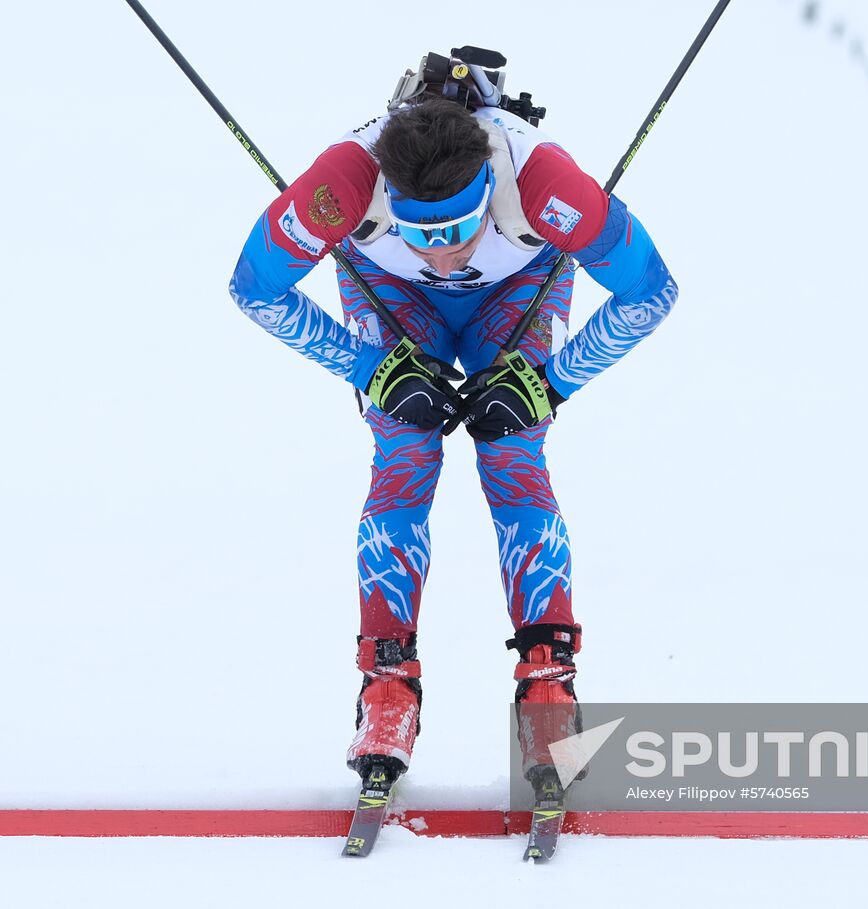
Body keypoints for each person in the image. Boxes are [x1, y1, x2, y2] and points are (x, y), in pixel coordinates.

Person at [229, 93, 678, 784]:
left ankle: (548, 686)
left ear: (488, 192)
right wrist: (372, 371)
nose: (441, 254)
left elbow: (651, 290)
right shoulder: (345, 184)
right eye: (418, 231)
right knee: (405, 446)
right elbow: (254, 286)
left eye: (460, 229)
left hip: (519, 284)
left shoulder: (546, 186)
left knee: (512, 448)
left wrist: (550, 384)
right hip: (388, 288)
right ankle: (386, 687)